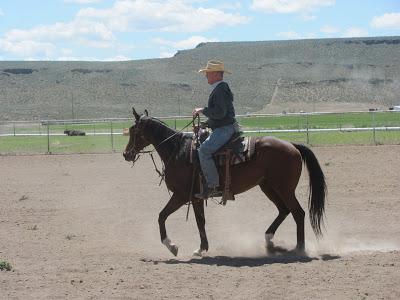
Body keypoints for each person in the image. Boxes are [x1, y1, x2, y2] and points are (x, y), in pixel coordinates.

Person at [192, 60, 238, 199]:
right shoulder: (220, 88)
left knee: (204, 150)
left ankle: (212, 186)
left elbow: (220, 113)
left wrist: (203, 110)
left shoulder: (220, 89)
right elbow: (219, 115)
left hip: (225, 129)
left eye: (208, 73)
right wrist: (205, 124)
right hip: (223, 126)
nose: (206, 75)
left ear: (217, 74)